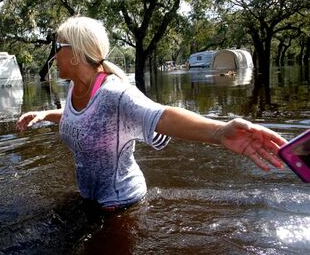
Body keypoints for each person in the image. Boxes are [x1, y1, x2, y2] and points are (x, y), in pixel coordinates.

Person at [16, 16, 287, 212]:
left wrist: (220, 131)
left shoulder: (115, 93)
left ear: (74, 53)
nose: (53, 58)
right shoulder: (75, 86)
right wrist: (45, 114)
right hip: (91, 198)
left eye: (57, 49)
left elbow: (163, 116)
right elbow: (83, 120)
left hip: (120, 204)